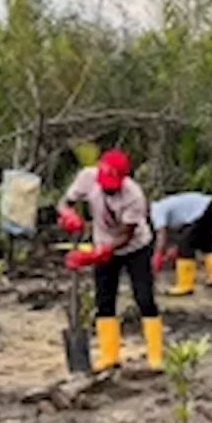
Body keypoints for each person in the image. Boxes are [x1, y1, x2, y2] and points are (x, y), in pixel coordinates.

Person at [56, 148, 162, 371]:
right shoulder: (87, 177)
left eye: (112, 185)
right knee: (104, 300)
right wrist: (68, 214)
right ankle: (109, 356)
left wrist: (99, 253)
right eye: (104, 183)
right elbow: (64, 202)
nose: (107, 188)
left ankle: (155, 355)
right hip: (101, 240)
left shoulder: (134, 195)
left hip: (136, 248)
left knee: (144, 297)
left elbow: (126, 234)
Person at [150, 192, 212, 296]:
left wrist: (157, 257)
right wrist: (172, 250)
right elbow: (177, 231)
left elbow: (161, 235)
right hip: (209, 206)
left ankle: (185, 286)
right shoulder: (163, 207)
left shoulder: (156, 211)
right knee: (204, 242)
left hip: (202, 210)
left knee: (185, 246)